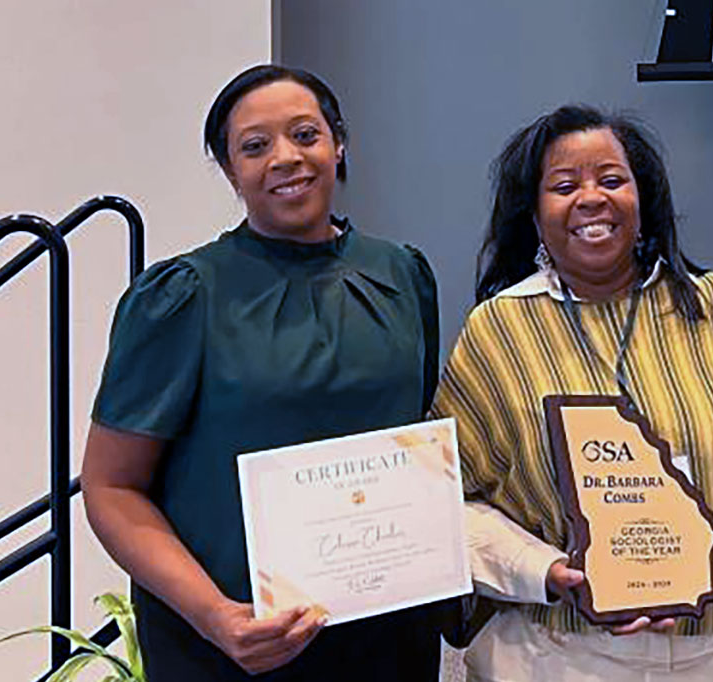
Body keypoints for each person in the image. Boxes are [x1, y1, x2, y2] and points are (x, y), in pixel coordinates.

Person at [80, 64, 446, 679]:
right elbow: (112, 490)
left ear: (338, 143)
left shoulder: (402, 275)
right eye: (255, 146)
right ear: (230, 171)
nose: (286, 158)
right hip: (233, 645)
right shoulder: (181, 296)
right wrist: (217, 617)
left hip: (386, 637)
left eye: (305, 135)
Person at [432, 104, 713, 680]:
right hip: (556, 653)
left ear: (642, 198)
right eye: (563, 186)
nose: (591, 199)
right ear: (533, 212)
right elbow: (448, 499)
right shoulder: (497, 332)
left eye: (611, 180)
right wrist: (545, 570)